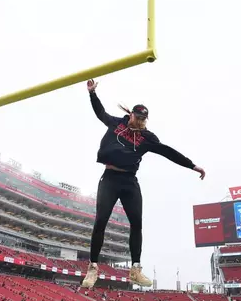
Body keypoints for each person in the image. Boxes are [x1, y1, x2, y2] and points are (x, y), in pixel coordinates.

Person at [82, 79, 205, 288]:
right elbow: (100, 113)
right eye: (137, 117)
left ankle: (136, 269)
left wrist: (192, 165)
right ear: (131, 115)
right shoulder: (117, 124)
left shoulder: (147, 138)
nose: (139, 121)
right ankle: (92, 268)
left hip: (129, 181)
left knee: (137, 222)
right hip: (110, 178)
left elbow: (168, 152)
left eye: (143, 119)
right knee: (101, 220)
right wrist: (92, 93)